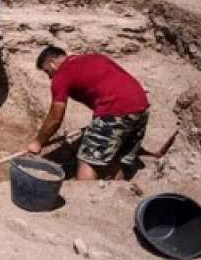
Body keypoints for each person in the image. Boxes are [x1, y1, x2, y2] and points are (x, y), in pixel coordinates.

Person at [28, 46, 150, 181]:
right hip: (141, 107)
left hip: (114, 111)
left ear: (52, 63)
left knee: (88, 161)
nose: (50, 77)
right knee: (115, 160)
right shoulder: (94, 57)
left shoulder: (61, 75)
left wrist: (38, 142)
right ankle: (113, 195)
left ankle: (87, 198)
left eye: (47, 71)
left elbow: (55, 118)